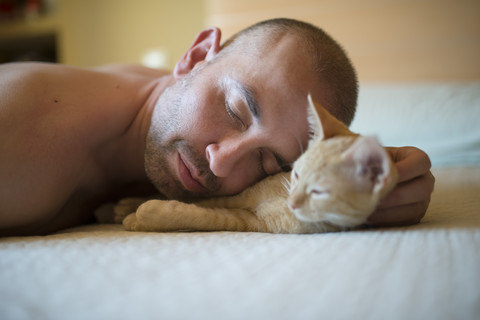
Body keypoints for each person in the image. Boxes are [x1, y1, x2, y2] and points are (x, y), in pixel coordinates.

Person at [0, 18, 434, 236]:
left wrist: (373, 184)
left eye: (265, 162)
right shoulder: (20, 132)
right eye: (235, 110)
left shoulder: (159, 119)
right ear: (194, 56)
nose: (222, 164)